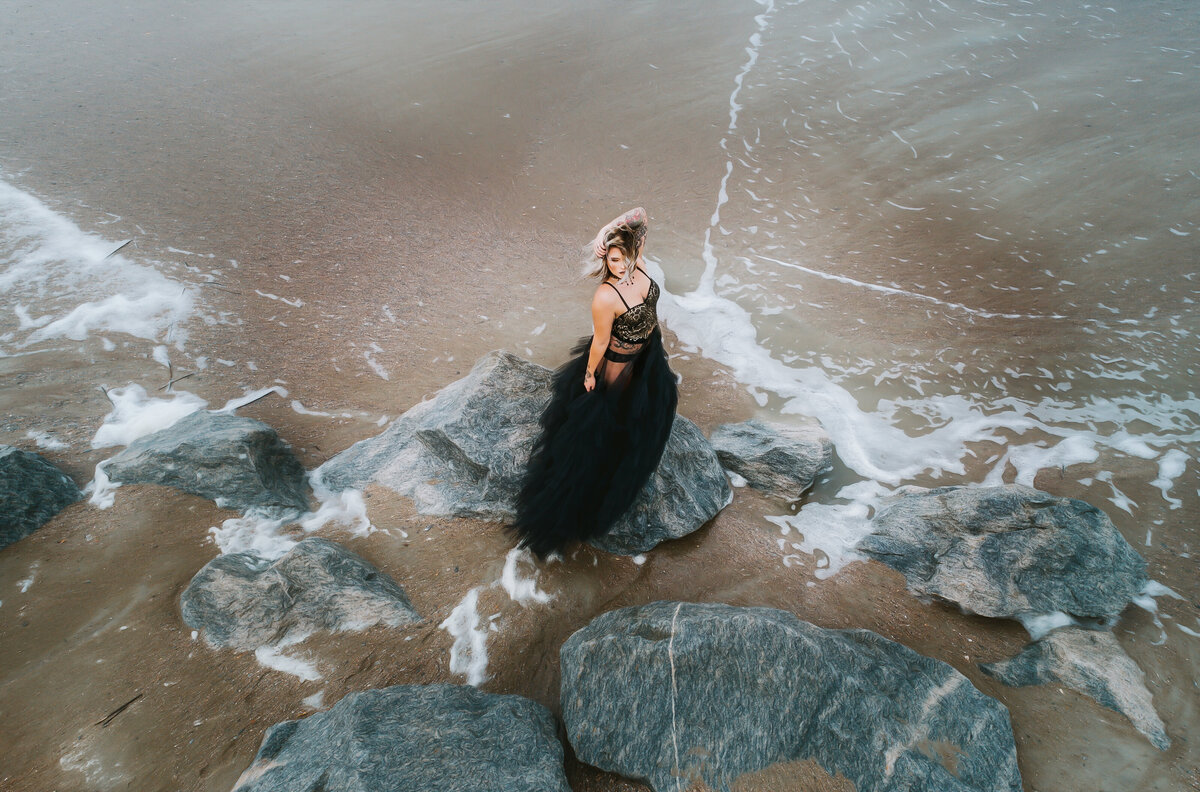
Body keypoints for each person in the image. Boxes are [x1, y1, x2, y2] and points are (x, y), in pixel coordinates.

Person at [512, 208, 678, 558]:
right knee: (599, 438)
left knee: (648, 414)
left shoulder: (639, 264)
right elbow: (601, 343)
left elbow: (642, 215)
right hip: (615, 365)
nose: (621, 265)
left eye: (625, 257)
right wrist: (589, 375)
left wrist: (605, 234)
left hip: (646, 359)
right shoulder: (605, 296)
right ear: (607, 264)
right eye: (614, 260)